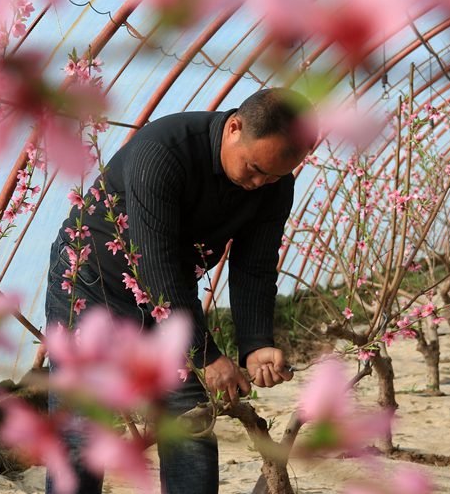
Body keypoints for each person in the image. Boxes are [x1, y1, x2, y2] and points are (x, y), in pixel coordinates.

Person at [44, 88, 314, 494]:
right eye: (256, 169)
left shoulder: (273, 186)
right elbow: (156, 262)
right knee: (83, 427)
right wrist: (205, 355)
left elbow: (253, 266)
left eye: (275, 176)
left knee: (190, 419)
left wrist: (256, 342)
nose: (260, 184)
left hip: (170, 298)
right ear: (235, 128)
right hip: (91, 284)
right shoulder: (164, 153)